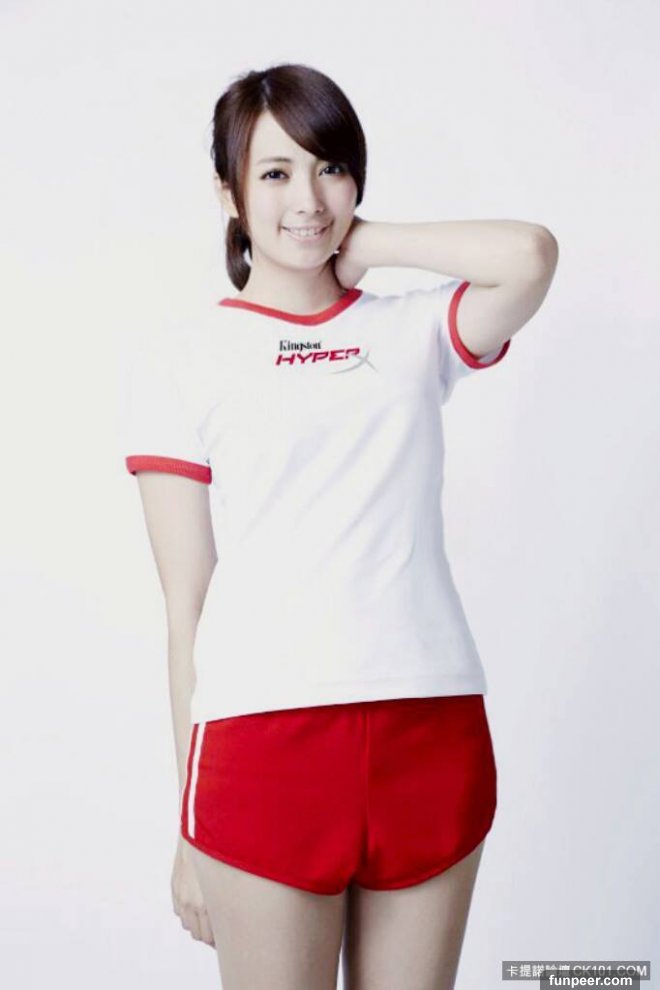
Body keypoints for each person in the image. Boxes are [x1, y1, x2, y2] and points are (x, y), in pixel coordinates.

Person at [122, 62, 558, 990]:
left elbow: (530, 255)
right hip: (262, 747)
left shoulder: (415, 331)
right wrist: (187, 823)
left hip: (430, 728)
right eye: (275, 173)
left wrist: (367, 245)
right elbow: (186, 603)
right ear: (229, 192)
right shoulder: (183, 356)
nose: (307, 199)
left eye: (330, 167)